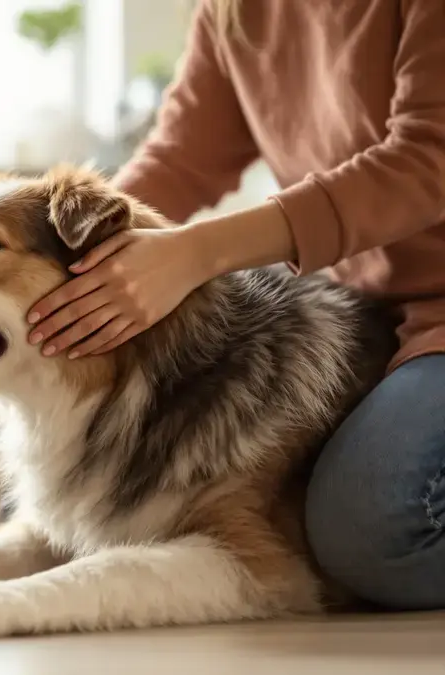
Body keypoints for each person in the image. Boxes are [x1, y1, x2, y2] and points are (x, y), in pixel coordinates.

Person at [24, 0, 445, 610]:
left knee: (372, 532)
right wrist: (68, 260)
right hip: (365, 315)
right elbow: (181, 157)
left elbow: (426, 164)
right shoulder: (235, 11)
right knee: (57, 511)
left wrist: (196, 253)